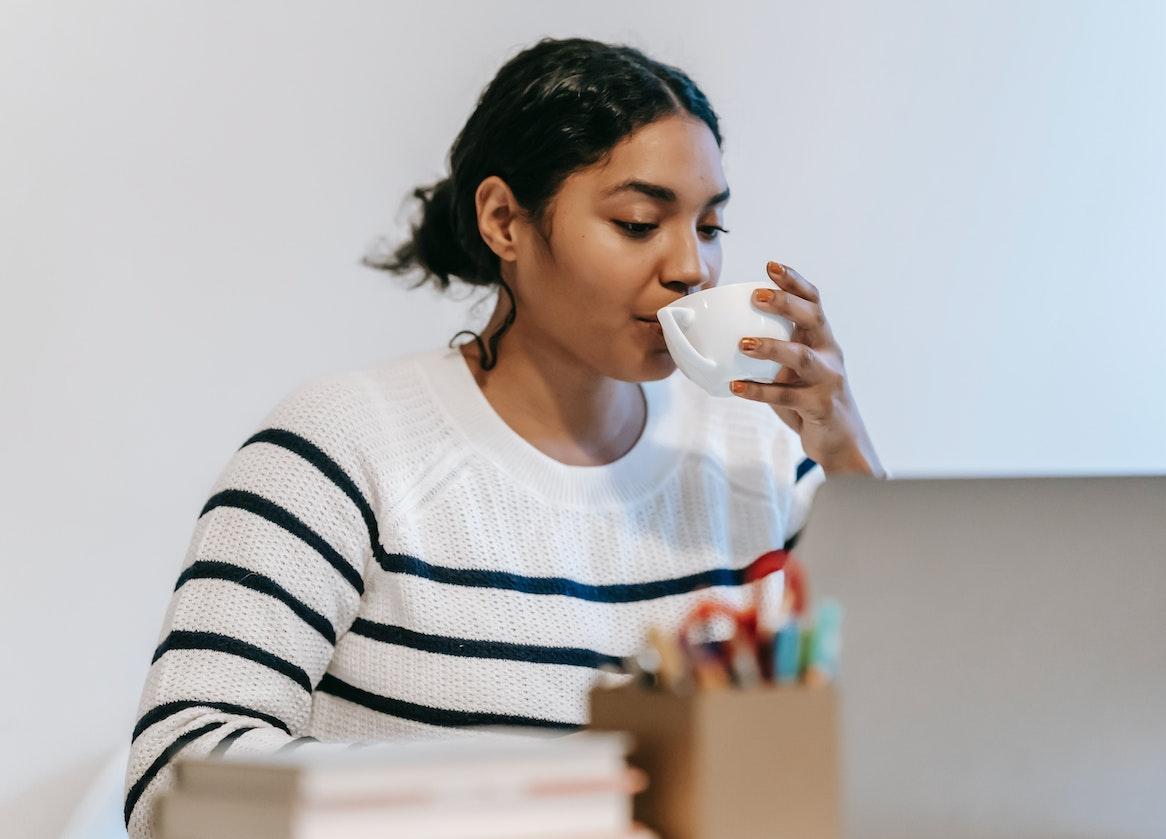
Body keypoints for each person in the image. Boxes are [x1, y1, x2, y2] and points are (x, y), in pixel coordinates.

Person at [123, 36, 884, 838]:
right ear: (503, 221)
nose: (692, 266)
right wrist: (547, 805)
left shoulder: (757, 456)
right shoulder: (342, 448)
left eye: (711, 223)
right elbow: (176, 773)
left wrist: (845, 449)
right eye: (638, 222)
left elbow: (902, 734)